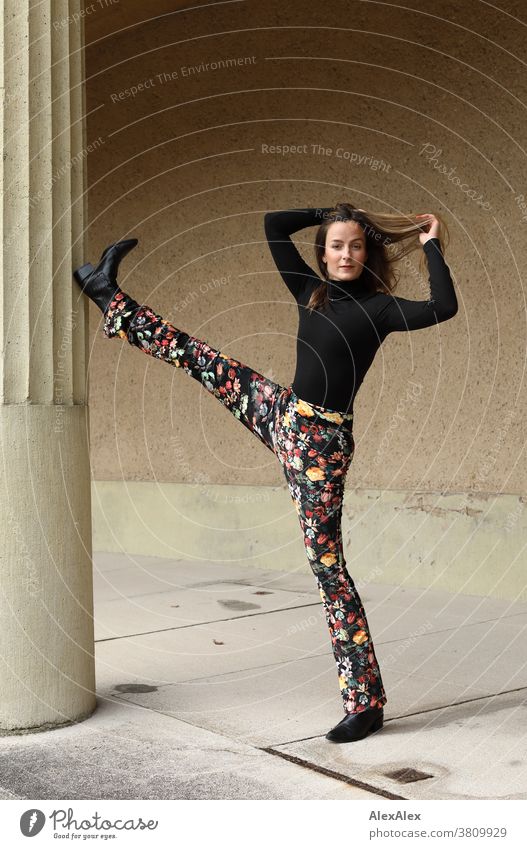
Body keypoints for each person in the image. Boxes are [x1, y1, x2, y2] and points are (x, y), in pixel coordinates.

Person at [73, 203, 458, 743]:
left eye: (355, 245)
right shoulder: (311, 291)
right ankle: (105, 293)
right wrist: (331, 212)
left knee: (330, 572)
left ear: (367, 254)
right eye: (336, 244)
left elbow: (445, 306)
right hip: (283, 413)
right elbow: (274, 225)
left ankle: (365, 702)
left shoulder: (381, 309)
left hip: (320, 448)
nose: (345, 253)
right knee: (201, 358)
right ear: (323, 254)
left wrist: (429, 244)